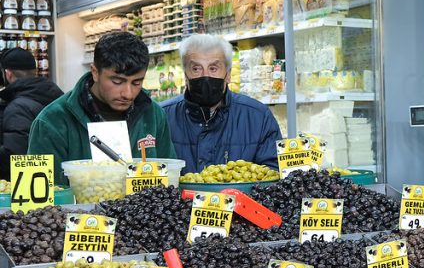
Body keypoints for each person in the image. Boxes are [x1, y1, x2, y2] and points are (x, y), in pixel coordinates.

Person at [28, 32, 175, 180]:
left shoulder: (153, 114)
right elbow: (44, 193)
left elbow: (169, 174)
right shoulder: (51, 122)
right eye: (117, 81)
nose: (128, 94)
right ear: (95, 72)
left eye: (136, 82)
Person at [162, 34, 281, 174]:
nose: (205, 76)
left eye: (213, 68)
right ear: (185, 76)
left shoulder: (258, 117)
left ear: (228, 74)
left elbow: (273, 174)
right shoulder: (162, 117)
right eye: (196, 69)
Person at [0, 47, 62, 179]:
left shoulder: (18, 107)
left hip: (29, 184)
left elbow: (15, 156)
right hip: (56, 179)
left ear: (8, 74)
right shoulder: (55, 95)